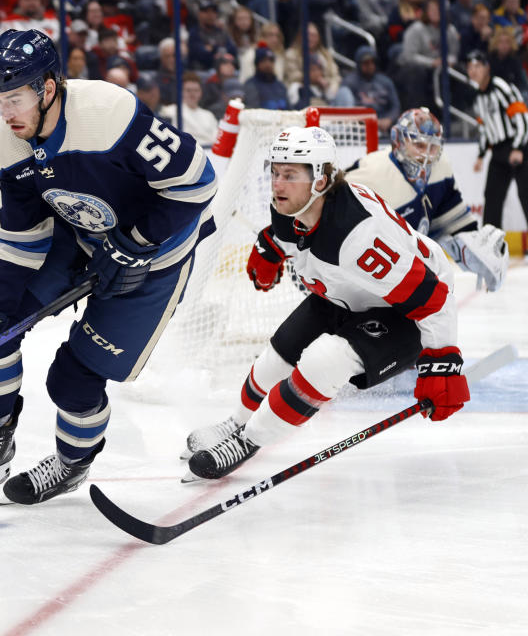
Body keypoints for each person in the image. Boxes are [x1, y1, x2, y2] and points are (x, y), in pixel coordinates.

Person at [0, 29, 218, 508]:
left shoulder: (109, 114)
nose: (5, 114)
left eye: (15, 98)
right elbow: (21, 241)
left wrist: (135, 243)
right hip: (79, 240)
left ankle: (71, 463)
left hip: (155, 255)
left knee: (72, 380)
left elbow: (197, 184)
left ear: (48, 88)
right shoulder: (5, 146)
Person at [184, 126, 468, 480]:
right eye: (275, 172)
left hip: (405, 311)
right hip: (349, 291)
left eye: (290, 174)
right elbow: (288, 233)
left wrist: (443, 363)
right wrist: (270, 248)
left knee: (325, 360)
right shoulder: (294, 205)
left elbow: (432, 299)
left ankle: (248, 442)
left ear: (320, 180)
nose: (277, 183)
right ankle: (235, 424)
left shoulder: (360, 237)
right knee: (278, 354)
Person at [347, 107, 509, 291]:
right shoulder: (370, 172)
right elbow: (330, 205)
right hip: (369, 280)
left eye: (433, 147)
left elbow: (453, 220)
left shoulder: (441, 168)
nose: (426, 155)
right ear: (399, 141)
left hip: (411, 274)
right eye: (419, 145)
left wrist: (474, 246)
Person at [466, 49, 528, 232]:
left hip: (519, 146)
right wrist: (481, 154)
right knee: (492, 196)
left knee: (526, 194)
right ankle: (491, 245)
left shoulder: (500, 86)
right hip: (499, 151)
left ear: (487, 68)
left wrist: (518, 147)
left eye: (477, 66)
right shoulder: (477, 95)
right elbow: (485, 129)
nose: (473, 71)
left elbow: (523, 118)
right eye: (470, 67)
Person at [343, 45, 401, 135]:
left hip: (385, 126)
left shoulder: (385, 81)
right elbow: (348, 109)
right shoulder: (349, 83)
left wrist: (389, 119)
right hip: (360, 130)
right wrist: (371, 121)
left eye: (372, 62)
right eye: (366, 63)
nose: (370, 66)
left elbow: (395, 106)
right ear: (359, 64)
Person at [161, 72, 219, 149]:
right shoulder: (170, 111)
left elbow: (216, 138)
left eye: (196, 90)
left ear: (201, 92)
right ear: (181, 92)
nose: (192, 94)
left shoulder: (209, 115)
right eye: (188, 90)